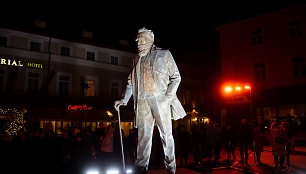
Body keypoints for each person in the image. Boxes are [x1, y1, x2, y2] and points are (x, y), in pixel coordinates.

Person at [114, 27, 186, 174]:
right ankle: (141, 168)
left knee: (166, 135)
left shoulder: (164, 54)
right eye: (137, 41)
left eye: (142, 40)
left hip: (160, 99)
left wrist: (167, 96)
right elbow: (130, 83)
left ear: (150, 41)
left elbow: (176, 77)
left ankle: (171, 168)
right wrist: (123, 99)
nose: (139, 44)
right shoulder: (136, 60)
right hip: (142, 101)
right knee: (143, 137)